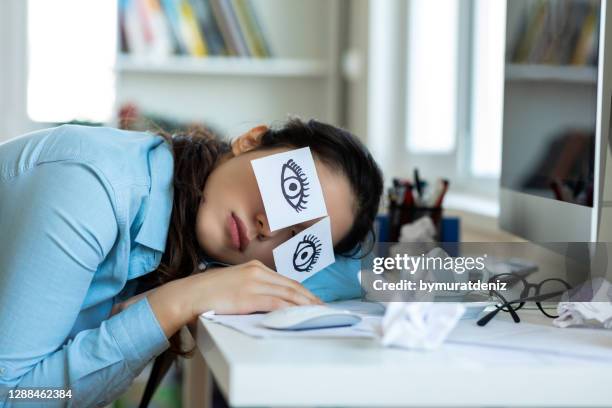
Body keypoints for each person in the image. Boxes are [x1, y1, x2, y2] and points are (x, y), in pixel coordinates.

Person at [0, 118, 383, 406]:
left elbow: (355, 273)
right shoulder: (94, 190)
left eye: (300, 240)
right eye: (291, 189)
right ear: (249, 140)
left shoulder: (184, 219)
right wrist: (177, 302)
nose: (270, 228)